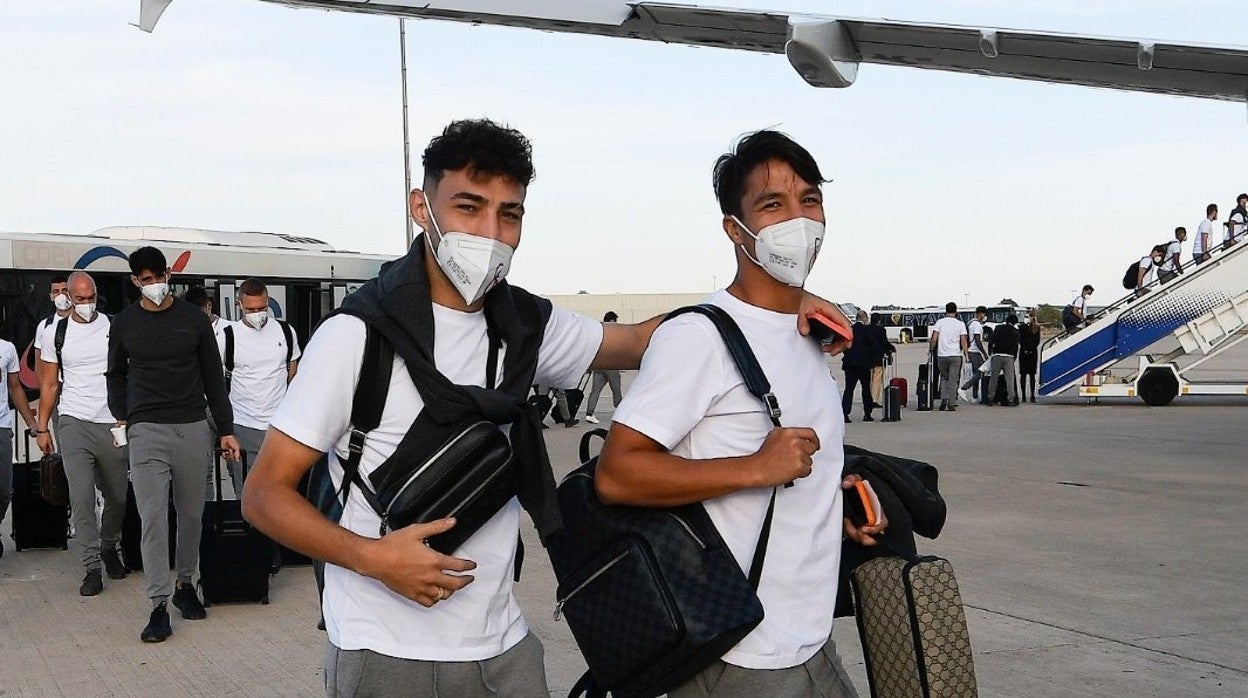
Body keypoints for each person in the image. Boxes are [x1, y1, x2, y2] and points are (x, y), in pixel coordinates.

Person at [241, 120, 851, 697]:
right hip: (386, 647)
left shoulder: (525, 323)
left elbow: (638, 340)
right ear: (420, 208)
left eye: (509, 214)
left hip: (504, 649)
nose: (488, 233)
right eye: (468, 207)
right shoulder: (358, 336)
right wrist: (372, 559)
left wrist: (781, 306)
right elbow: (265, 494)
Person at [594, 129, 880, 698]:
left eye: (810, 200)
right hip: (734, 650)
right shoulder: (699, 337)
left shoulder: (808, 333)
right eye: (772, 205)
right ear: (735, 228)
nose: (798, 220)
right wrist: (756, 468)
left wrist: (831, 500)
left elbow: (789, 466)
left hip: (808, 635)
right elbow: (617, 473)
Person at [106, 246, 241, 643]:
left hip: (192, 426)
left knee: (191, 515)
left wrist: (225, 429)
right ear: (135, 282)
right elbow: (114, 373)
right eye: (146, 281)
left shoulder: (193, 320)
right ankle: (157, 606)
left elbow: (214, 378)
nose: (154, 286)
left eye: (159, 277)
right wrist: (123, 414)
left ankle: (186, 585)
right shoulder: (125, 323)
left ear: (169, 274)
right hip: (146, 430)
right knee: (152, 519)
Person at [34, 272, 130, 595]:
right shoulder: (55, 334)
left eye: (91, 298)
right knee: (82, 497)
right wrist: (42, 426)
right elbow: (49, 384)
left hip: (112, 422)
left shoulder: (115, 326)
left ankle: (109, 544)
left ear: (96, 295)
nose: (86, 304)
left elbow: (130, 372)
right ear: (69, 299)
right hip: (73, 421)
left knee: (118, 496)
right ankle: (92, 566)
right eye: (80, 299)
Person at [216, 278, 301, 497]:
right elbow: (214, 381)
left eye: (262, 308)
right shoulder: (227, 336)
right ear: (240, 305)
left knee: (281, 493)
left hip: (280, 426)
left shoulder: (285, 331)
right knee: (245, 493)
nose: (257, 313)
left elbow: (293, 371)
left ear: (268, 302)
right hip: (242, 425)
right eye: (251, 309)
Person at [0, 334, 38, 559]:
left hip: (1, 426)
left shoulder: (7, 349)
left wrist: (33, 423)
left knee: (4, 490)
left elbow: (15, 388)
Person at [583, 311, 624, 424]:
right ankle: (621, 412)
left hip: (599, 365)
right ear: (611, 321)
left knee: (595, 390)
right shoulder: (614, 333)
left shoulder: (598, 331)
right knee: (616, 390)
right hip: (611, 366)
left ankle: (589, 413)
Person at [930, 302, 968, 412]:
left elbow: (934, 338)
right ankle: (951, 403)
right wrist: (966, 354)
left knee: (943, 377)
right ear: (956, 311)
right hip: (955, 355)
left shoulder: (940, 323)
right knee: (953, 379)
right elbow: (963, 340)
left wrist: (931, 349)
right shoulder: (960, 324)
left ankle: (943, 400)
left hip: (942, 355)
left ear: (945, 311)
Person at [840, 311, 877, 422]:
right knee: (866, 389)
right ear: (865, 318)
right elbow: (873, 346)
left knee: (849, 389)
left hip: (850, 364)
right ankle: (867, 413)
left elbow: (844, 345)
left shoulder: (850, 329)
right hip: (864, 364)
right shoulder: (867, 330)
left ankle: (845, 414)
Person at [33, 275, 73, 364]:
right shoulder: (44, 325)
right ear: (51, 296)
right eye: (56, 291)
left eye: (64, 290)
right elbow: (39, 360)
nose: (61, 295)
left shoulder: (81, 321)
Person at [987, 314, 1020, 407]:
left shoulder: (998, 328)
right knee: (1009, 379)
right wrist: (1015, 356)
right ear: (1015, 322)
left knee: (993, 378)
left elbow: (991, 340)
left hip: (997, 355)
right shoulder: (1015, 331)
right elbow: (1016, 345)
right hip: (1008, 356)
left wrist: (990, 351)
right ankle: (1011, 399)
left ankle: (990, 398)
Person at [959, 306, 988, 403]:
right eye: (984, 314)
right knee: (979, 373)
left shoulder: (971, 323)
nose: (985, 317)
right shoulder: (977, 325)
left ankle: (975, 397)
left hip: (970, 351)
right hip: (974, 351)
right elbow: (977, 340)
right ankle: (963, 388)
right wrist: (984, 353)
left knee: (976, 373)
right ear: (981, 314)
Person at [1018, 309, 1041, 403]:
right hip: (1029, 351)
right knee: (1024, 375)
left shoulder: (1035, 328)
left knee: (1030, 375)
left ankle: (1030, 395)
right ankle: (1025, 395)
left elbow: (1037, 341)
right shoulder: (1022, 327)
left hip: (1027, 351)